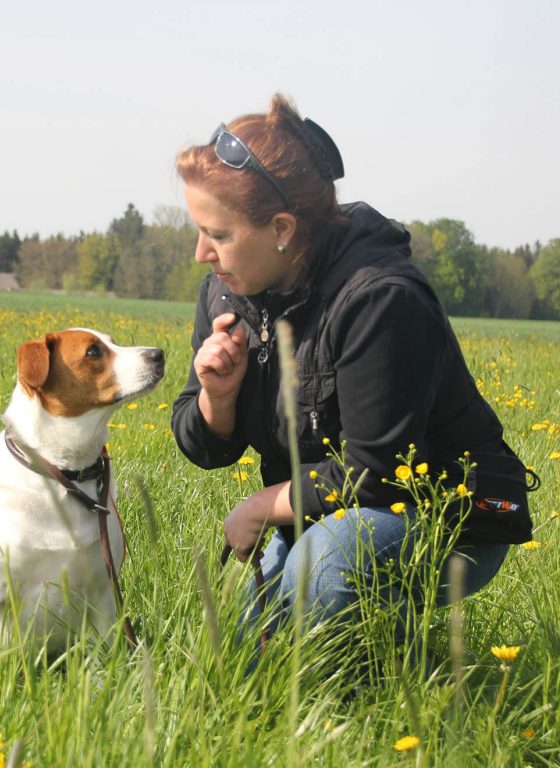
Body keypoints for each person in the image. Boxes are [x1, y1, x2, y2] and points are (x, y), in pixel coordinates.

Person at [171, 93, 534, 647]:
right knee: (239, 655)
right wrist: (217, 398)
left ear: (283, 229)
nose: (202, 253)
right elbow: (206, 449)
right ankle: (365, 653)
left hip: (448, 518)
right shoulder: (229, 293)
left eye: (218, 234)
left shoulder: (380, 299)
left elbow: (377, 471)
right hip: (325, 513)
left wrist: (263, 505)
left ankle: (393, 671)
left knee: (323, 569)